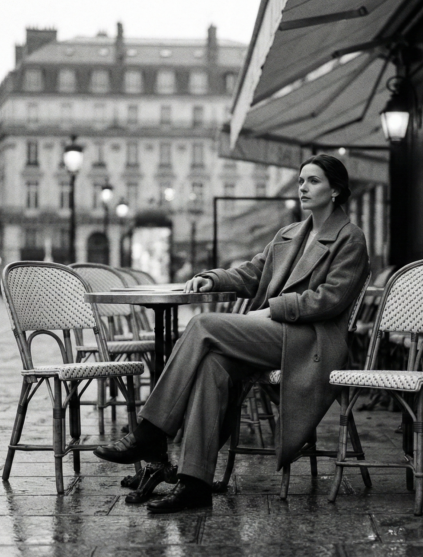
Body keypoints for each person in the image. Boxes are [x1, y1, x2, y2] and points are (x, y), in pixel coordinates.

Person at [94, 154, 370, 513]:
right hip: (274, 333)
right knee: (213, 366)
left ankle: (151, 432)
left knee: (202, 324)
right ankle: (195, 484)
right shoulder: (289, 234)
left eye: (313, 181)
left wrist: (275, 308)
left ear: (335, 190)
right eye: (301, 180)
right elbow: (251, 273)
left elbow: (331, 300)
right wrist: (214, 278)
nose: (303, 187)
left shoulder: (350, 238)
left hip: (309, 340)